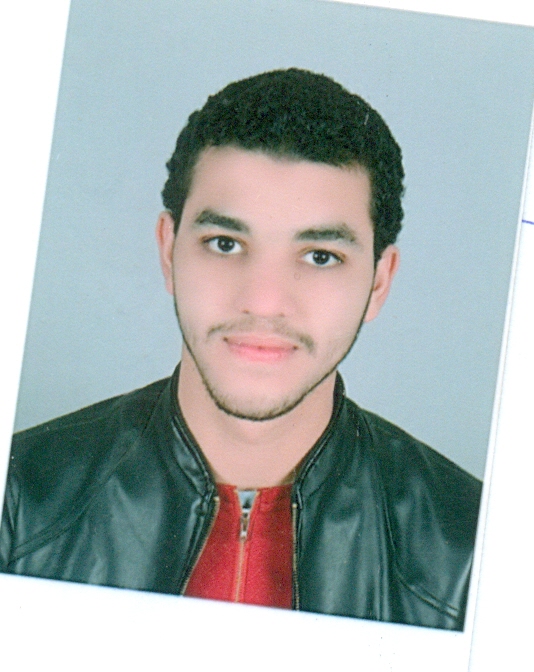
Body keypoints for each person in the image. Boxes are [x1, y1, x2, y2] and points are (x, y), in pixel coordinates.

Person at [0, 68, 481, 630]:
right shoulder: (20, 499)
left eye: (320, 256)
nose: (264, 301)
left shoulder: (473, 555)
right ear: (168, 252)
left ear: (379, 282)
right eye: (225, 243)